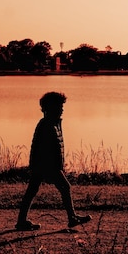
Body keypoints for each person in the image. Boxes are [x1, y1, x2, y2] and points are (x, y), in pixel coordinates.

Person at [16, 91, 91, 231]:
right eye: (59, 106)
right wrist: (50, 169)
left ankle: (21, 221)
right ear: (49, 108)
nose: (62, 109)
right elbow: (42, 149)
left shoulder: (53, 123)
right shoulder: (47, 125)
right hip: (47, 165)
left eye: (62, 106)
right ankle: (72, 218)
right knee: (65, 187)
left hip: (44, 165)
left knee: (32, 191)